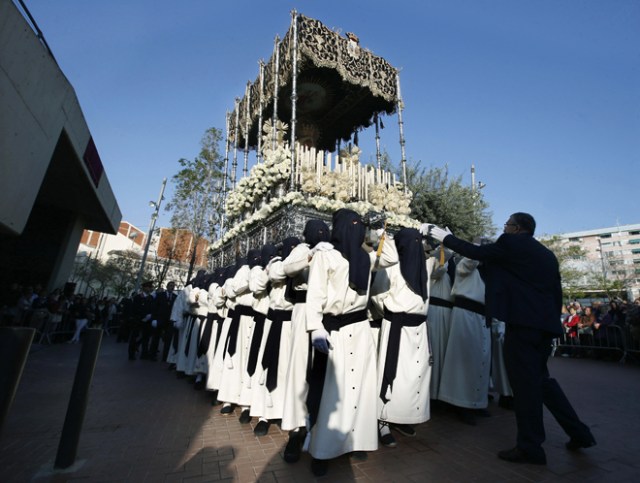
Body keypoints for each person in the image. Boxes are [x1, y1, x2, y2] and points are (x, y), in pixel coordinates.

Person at [429, 213, 596, 465]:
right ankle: (580, 432)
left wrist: (445, 237)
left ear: (516, 228)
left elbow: (477, 253)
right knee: (543, 382)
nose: (504, 229)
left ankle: (530, 447)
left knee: (525, 387)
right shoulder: (546, 255)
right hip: (544, 328)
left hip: (523, 325)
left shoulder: (511, 243)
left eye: (506, 225)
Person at [305, 208, 397, 476]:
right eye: (353, 224)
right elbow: (314, 295)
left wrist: (380, 229)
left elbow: (390, 258)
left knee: (360, 389)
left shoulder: (366, 256)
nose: (357, 228)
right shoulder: (327, 256)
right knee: (333, 393)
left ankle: (356, 440)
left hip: (359, 327)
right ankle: (323, 450)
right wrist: (315, 329)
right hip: (333, 329)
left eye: (361, 224)